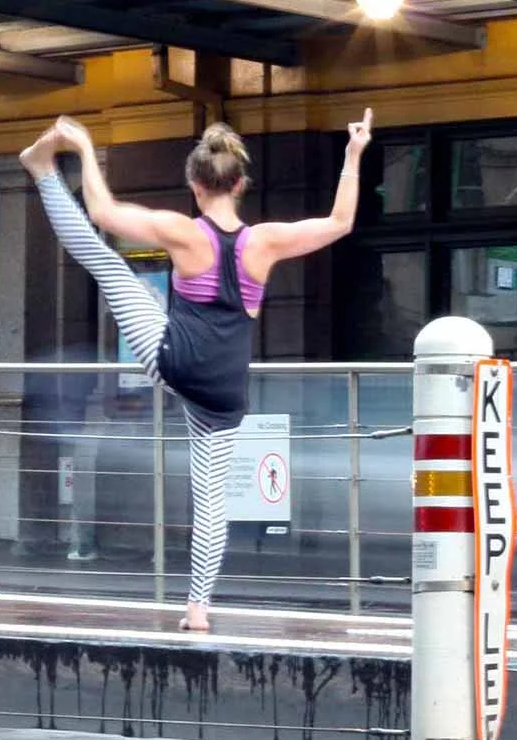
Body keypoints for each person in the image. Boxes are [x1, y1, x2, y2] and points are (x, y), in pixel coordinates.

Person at [20, 109, 373, 631]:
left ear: (193, 183)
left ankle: (40, 170)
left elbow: (103, 211)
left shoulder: (182, 231)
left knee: (108, 263)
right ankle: (198, 609)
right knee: (211, 497)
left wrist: (87, 148)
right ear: (242, 183)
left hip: (172, 359)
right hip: (223, 391)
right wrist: (352, 154)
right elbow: (340, 223)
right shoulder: (267, 241)